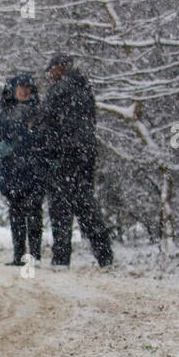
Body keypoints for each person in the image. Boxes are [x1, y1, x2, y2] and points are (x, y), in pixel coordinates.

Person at [38, 54, 113, 269]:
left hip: (63, 156)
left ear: (58, 69)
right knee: (85, 204)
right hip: (84, 155)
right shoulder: (84, 88)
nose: (49, 77)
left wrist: (45, 139)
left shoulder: (59, 91)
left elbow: (46, 119)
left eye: (50, 71)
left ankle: (61, 258)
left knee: (61, 208)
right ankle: (104, 255)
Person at [0, 73, 45, 266]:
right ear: (12, 91)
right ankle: (19, 255)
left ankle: (34, 256)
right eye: (20, 88)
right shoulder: (2, 117)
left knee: (34, 215)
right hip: (12, 174)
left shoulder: (40, 114)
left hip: (35, 171)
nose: (24, 91)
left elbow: (49, 141)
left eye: (28, 88)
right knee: (17, 216)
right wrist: (4, 148)